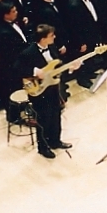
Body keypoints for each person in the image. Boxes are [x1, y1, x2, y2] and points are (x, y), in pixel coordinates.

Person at [14, 24, 78, 159]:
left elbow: (58, 65)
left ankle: (55, 141)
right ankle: (43, 148)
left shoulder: (52, 47)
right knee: (43, 119)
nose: (54, 37)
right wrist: (35, 71)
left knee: (56, 114)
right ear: (43, 38)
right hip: (39, 91)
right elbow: (17, 69)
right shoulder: (28, 52)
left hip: (53, 87)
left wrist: (71, 67)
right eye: (51, 35)